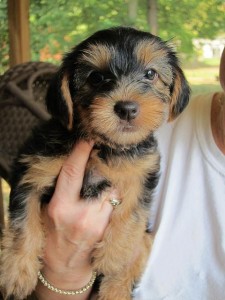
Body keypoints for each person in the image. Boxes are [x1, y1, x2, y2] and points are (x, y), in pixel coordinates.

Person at [10, 47, 225, 300]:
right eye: (97, 79)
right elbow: (28, 186)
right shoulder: (160, 133)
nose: (127, 103)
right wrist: (59, 273)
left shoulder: (149, 148)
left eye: (149, 74)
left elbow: (138, 201)